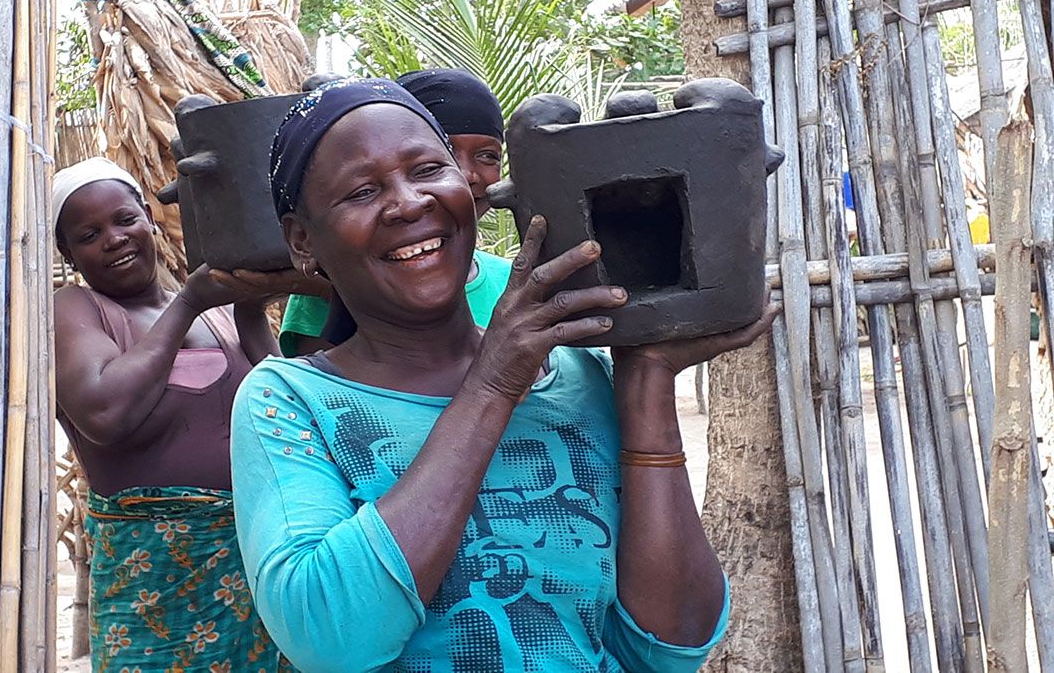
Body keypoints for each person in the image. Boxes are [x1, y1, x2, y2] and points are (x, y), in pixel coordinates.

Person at [230, 79, 776, 672]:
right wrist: (493, 386)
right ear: (302, 240)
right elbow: (331, 637)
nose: (410, 202)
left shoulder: (581, 377)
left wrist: (644, 378)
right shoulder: (288, 402)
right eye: (362, 191)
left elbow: (670, 648)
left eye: (428, 169)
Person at [52, 156, 313, 672]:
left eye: (125, 220)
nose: (114, 239)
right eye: (89, 233)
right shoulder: (76, 310)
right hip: (153, 577)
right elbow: (105, 413)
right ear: (68, 252)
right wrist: (189, 301)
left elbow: (286, 406)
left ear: (149, 217)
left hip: (256, 562)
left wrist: (249, 312)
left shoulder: (215, 313)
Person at [277, 68, 511, 357]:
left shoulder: (517, 283)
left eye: (429, 169)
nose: (467, 174)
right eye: (363, 191)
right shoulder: (292, 386)